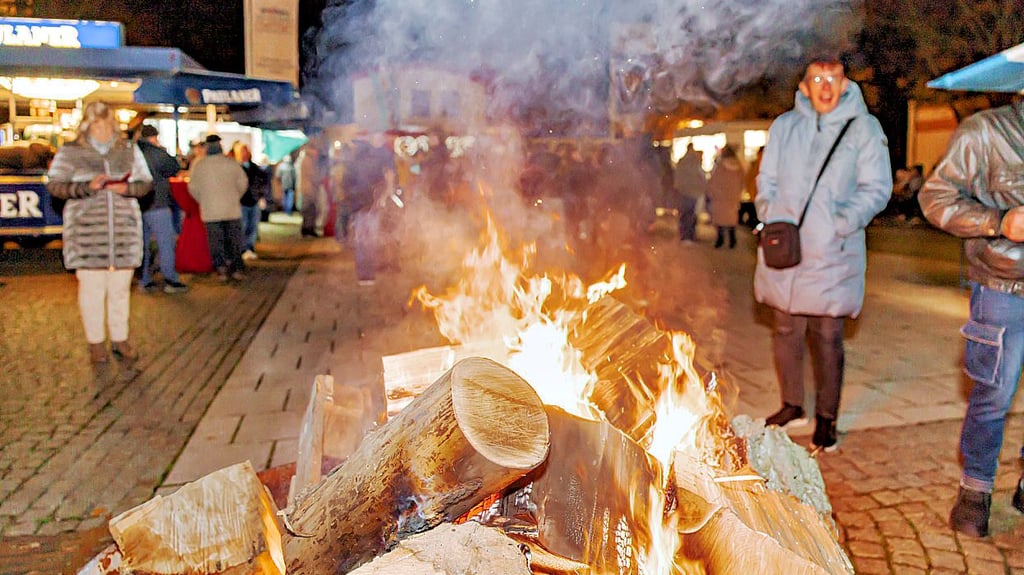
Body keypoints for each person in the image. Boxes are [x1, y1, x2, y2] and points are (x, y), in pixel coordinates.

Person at [755, 55, 892, 451]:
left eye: (833, 78)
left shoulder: (864, 129)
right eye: (817, 78)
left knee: (827, 335)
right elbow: (767, 178)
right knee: (785, 329)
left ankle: (827, 419)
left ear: (845, 84)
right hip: (787, 248)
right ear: (804, 86)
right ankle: (792, 404)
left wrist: (842, 222)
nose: (826, 86)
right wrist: (768, 211)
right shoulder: (785, 126)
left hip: (834, 250)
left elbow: (877, 187)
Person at [917, 96, 1024, 537]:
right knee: (993, 396)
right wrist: (999, 221)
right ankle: (975, 490)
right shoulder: (985, 131)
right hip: (1003, 287)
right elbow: (935, 197)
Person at [46, 101, 154, 364]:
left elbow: (146, 183)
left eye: (106, 124)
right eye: (96, 124)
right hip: (86, 236)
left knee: (119, 291)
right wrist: (86, 187)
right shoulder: (70, 152)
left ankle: (120, 338)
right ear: (87, 125)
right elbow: (55, 185)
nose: (102, 129)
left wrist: (126, 189)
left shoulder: (129, 150)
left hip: (123, 235)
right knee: (92, 292)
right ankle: (95, 342)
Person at [188, 134, 249, 281]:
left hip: (210, 210)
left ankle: (221, 269)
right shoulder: (231, 163)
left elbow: (193, 188)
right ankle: (236, 268)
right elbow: (243, 183)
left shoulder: (200, 166)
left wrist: (203, 200)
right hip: (231, 209)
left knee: (216, 242)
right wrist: (235, 196)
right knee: (233, 241)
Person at [136, 124, 188, 294]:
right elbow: (173, 167)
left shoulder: (132, 153)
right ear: (154, 137)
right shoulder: (156, 152)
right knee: (165, 243)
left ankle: (144, 279)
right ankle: (170, 279)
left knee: (141, 244)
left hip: (136, 205)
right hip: (157, 203)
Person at [341, 132, 396, 286]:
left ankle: (362, 275)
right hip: (373, 206)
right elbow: (387, 178)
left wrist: (350, 199)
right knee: (370, 241)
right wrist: (384, 196)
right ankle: (369, 275)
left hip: (359, 206)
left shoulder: (353, 162)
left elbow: (346, 183)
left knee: (361, 241)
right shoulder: (377, 160)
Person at [232, 143, 271, 260]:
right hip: (242, 201)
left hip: (253, 200)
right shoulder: (237, 168)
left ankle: (250, 247)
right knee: (243, 225)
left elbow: (262, 181)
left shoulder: (254, 168)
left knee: (252, 225)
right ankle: (243, 248)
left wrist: (260, 195)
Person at [705, 145, 745, 249]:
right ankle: (732, 239)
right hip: (733, 196)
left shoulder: (720, 166)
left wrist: (712, 192)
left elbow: (714, 181)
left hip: (720, 196)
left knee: (720, 218)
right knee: (731, 218)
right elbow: (742, 181)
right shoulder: (738, 166)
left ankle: (720, 239)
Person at [673, 143, 706, 243]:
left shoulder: (681, 161)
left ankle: (683, 236)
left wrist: (677, 188)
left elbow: (677, 177)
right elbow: (702, 177)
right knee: (691, 215)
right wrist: (701, 188)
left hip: (682, 192)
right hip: (693, 193)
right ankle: (690, 236)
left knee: (683, 215)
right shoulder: (696, 162)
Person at [297, 143, 325, 237]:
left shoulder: (306, 158)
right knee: (310, 210)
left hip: (307, 188)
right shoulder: (308, 160)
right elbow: (313, 175)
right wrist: (320, 178)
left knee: (308, 210)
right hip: (309, 189)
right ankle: (308, 229)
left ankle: (307, 229)